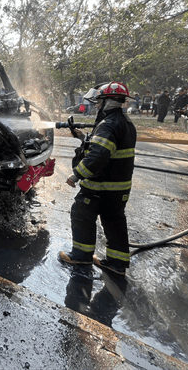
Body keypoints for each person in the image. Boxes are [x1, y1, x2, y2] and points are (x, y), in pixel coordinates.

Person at [59, 82, 137, 276]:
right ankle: (116, 264)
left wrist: (76, 175)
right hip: (117, 188)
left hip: (101, 187)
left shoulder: (108, 124)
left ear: (108, 102)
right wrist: (81, 138)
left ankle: (81, 256)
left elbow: (99, 155)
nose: (95, 106)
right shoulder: (123, 122)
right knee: (114, 221)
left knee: (81, 213)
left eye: (98, 102)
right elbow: (103, 147)